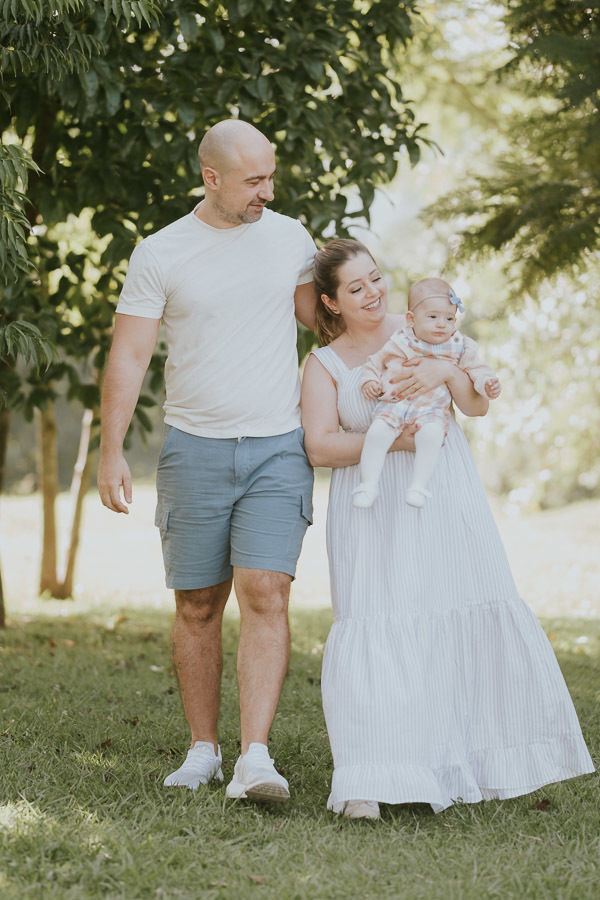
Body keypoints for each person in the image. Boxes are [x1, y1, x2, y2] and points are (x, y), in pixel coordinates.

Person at [300, 238, 594, 820]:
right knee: (378, 622)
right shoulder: (325, 364)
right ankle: (368, 776)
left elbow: (477, 407)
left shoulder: (430, 331)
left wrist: (448, 373)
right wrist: (401, 441)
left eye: (376, 279)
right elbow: (320, 446)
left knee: (454, 610)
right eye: (355, 287)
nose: (372, 293)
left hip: (444, 500)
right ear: (331, 303)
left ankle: (466, 762)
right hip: (372, 513)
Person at [98, 119, 317, 803]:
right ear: (211, 177)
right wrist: (110, 450)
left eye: (270, 176)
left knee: (266, 592)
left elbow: (328, 320)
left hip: (279, 445)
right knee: (197, 604)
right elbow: (130, 355)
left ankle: (256, 756)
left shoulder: (291, 238)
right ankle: (204, 749)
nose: (266, 191)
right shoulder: (161, 252)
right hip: (194, 447)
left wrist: (419, 339)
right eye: (253, 181)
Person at [354, 277, 500, 509]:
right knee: (377, 433)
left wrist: (487, 383)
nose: (442, 324)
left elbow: (476, 369)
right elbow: (375, 362)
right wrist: (370, 380)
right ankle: (368, 485)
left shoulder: (460, 345)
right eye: (433, 317)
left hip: (431, 410)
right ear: (411, 319)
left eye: (449, 318)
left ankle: (419, 486)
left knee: (432, 436)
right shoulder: (401, 340)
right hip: (395, 404)